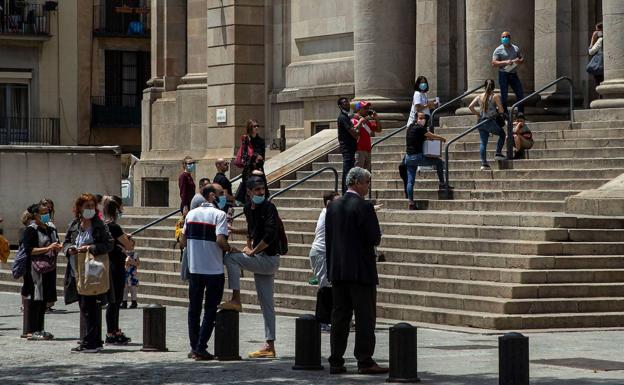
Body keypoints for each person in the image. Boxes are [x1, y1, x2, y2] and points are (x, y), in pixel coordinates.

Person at [325, 167, 387, 375]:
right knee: (365, 317)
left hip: (338, 270)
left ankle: (336, 360)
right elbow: (374, 237)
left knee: (340, 316)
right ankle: (365, 360)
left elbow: (330, 239)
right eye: (367, 182)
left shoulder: (332, 206)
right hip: (361, 271)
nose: (368, 187)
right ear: (357, 183)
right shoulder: (364, 207)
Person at [220, 176, 281, 359]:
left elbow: (269, 235)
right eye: (257, 190)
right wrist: (234, 230)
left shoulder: (269, 207)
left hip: (268, 258)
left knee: (231, 257)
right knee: (266, 303)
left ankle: (236, 298)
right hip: (261, 258)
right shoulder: (248, 209)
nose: (261, 193)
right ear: (249, 192)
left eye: (263, 190)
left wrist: (252, 251)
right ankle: (270, 346)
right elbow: (254, 231)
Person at [181, 184, 233, 360]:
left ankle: (194, 346)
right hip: (214, 269)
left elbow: (182, 240)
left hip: (195, 268)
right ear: (211, 196)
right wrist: (231, 249)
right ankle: (201, 347)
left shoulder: (190, 214)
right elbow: (220, 240)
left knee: (193, 309)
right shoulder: (219, 215)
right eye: (220, 194)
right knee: (210, 310)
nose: (223, 197)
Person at [63, 193, 114, 353]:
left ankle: (90, 342)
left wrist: (90, 248)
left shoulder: (99, 225)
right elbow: (66, 242)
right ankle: (92, 340)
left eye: (93, 206)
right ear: (79, 208)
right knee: (84, 307)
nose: (90, 209)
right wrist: (68, 249)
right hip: (76, 271)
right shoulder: (74, 225)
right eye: (87, 207)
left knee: (90, 307)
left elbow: (108, 244)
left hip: (93, 272)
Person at [20, 203, 61, 341]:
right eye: (43, 212)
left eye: (47, 212)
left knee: (44, 300)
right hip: (34, 270)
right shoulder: (31, 230)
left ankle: (40, 328)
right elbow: (29, 250)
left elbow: (57, 243)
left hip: (49, 267)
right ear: (35, 215)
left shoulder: (51, 229)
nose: (46, 215)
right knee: (35, 298)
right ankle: (31, 330)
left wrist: (57, 247)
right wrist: (48, 248)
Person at [102, 196, 133, 345]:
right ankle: (111, 332)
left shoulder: (104, 225)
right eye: (121, 207)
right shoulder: (113, 226)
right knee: (115, 301)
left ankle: (114, 329)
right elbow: (129, 246)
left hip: (109, 265)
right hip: (115, 267)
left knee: (114, 301)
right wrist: (128, 240)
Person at [405, 112, 449, 210]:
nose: (423, 119)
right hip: (417, 157)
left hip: (408, 158)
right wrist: (441, 138)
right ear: (416, 118)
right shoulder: (419, 128)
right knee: (438, 162)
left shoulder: (411, 127)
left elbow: (420, 137)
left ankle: (411, 203)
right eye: (420, 118)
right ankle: (442, 183)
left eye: (424, 118)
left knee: (410, 181)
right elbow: (430, 135)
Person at [309, 191, 339, 332]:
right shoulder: (328, 214)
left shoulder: (329, 212)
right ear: (329, 203)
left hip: (324, 253)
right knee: (325, 287)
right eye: (337, 201)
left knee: (328, 285)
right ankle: (322, 321)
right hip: (321, 253)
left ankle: (328, 319)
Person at [468, 79, 507, 170]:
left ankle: (484, 164)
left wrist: (478, 114)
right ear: (493, 87)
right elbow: (501, 110)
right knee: (502, 134)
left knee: (483, 142)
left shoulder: (479, 96)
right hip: (490, 121)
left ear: (484, 86)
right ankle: (498, 153)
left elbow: (470, 106)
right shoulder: (495, 96)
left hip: (481, 122)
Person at [492, 31, 525, 113]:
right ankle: (505, 113)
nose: (504, 38)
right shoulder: (498, 50)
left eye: (506, 37)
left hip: (513, 74)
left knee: (520, 93)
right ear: (501, 38)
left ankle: (520, 113)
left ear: (510, 38)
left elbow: (521, 59)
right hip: (503, 74)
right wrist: (506, 62)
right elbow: (494, 63)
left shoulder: (515, 48)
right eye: (503, 37)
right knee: (504, 95)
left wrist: (519, 61)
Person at [40, 198, 58, 313]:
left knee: (50, 280)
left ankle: (48, 303)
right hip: (42, 255)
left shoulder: (51, 223)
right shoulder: (36, 225)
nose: (49, 209)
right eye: (46, 207)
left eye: (50, 207)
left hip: (51, 254)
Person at [352, 101, 382, 172]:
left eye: (368, 108)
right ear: (359, 109)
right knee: (358, 174)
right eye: (365, 108)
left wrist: (376, 118)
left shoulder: (367, 122)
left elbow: (379, 129)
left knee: (367, 175)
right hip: (359, 151)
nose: (367, 110)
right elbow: (353, 130)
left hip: (368, 150)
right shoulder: (354, 120)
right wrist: (360, 122)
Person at [337, 97, 358, 193]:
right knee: (347, 171)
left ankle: (348, 191)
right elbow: (353, 133)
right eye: (344, 103)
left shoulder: (347, 117)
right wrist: (358, 128)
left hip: (351, 147)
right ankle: (346, 192)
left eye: (347, 102)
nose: (347, 104)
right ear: (340, 106)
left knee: (349, 170)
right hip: (347, 148)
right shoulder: (342, 118)